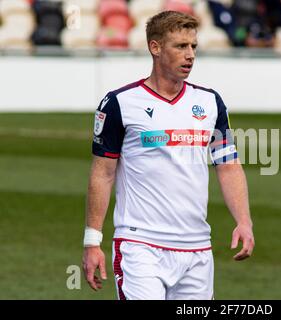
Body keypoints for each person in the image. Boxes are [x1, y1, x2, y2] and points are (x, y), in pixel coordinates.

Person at [82, 11, 255, 300]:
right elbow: (103, 173)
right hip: (140, 246)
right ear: (155, 47)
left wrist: (244, 221)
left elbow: (228, 165)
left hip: (198, 248)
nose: (190, 55)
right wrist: (92, 241)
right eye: (180, 46)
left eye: (193, 47)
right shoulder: (120, 103)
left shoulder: (210, 102)